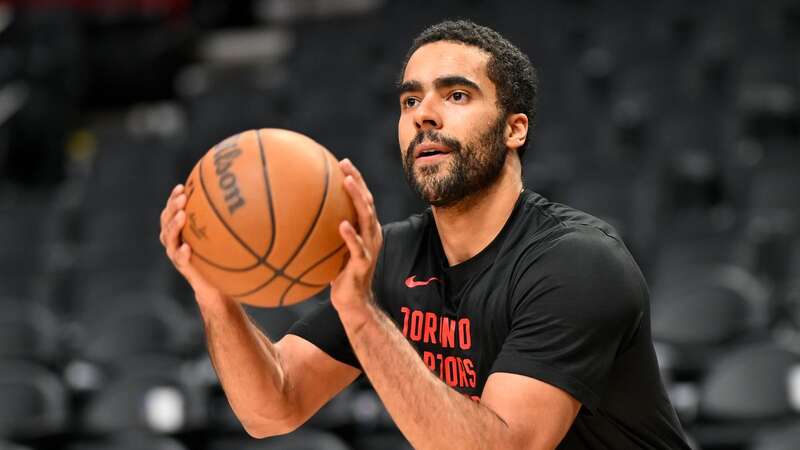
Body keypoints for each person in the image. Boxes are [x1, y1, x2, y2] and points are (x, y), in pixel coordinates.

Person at [159, 20, 690, 450]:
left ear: (514, 129)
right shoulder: (391, 259)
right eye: (410, 101)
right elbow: (270, 409)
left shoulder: (578, 263)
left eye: (456, 95)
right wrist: (215, 290)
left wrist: (362, 316)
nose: (424, 116)